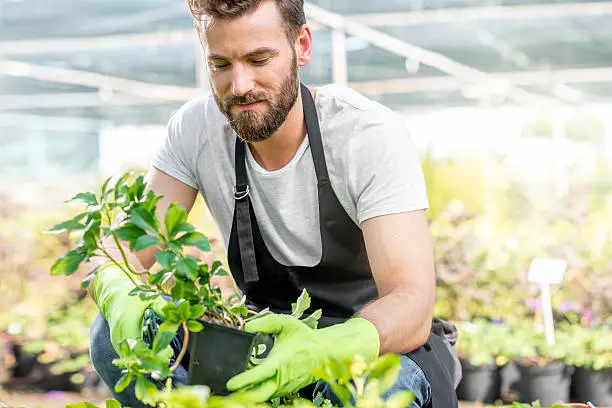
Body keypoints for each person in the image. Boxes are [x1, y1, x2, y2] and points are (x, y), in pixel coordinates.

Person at [88, 0, 460, 407]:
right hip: (259, 342)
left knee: (376, 386)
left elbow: (412, 303)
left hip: (376, 346)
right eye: (221, 65)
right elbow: (121, 248)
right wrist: (116, 289)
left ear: (301, 45)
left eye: (258, 59)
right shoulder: (197, 130)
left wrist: (321, 350)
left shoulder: (364, 133)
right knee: (111, 334)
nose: (240, 85)